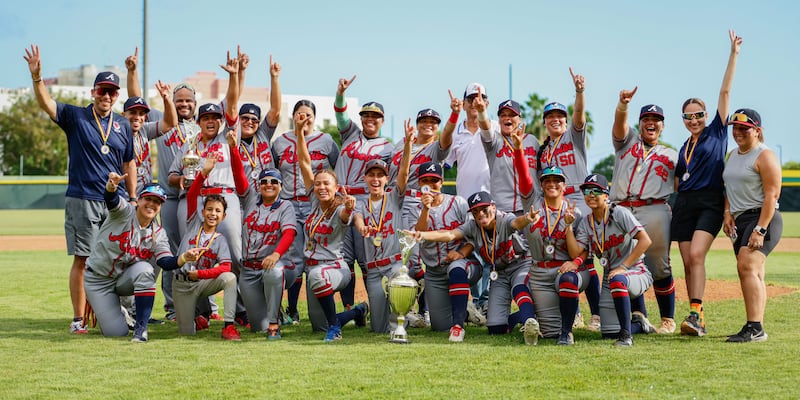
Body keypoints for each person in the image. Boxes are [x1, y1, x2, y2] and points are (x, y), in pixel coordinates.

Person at [24, 45, 137, 334]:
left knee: (119, 258)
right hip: (83, 198)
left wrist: (133, 198)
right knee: (83, 259)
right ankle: (78, 319)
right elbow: (47, 104)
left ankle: (114, 312)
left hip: (116, 202)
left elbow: (130, 163)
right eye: (103, 91)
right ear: (93, 92)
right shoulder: (76, 117)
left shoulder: (123, 125)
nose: (107, 96)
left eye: (112, 92)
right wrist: (37, 78)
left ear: (117, 95)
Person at [672, 30, 742, 336]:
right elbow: (677, 179)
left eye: (699, 114)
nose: (694, 120)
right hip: (685, 203)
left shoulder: (717, 131)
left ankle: (696, 313)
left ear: (706, 115)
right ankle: (695, 317)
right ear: (683, 120)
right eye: (688, 116)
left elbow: (725, 94)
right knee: (688, 262)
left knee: (698, 255)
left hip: (710, 202)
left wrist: (733, 55)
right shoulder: (683, 147)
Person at [406, 187, 542, 345]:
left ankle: (529, 322)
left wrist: (527, 218)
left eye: (484, 209)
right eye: (476, 212)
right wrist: (421, 235)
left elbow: (517, 223)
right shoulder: (472, 226)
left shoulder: (504, 219)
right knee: (495, 329)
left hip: (520, 264)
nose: (480, 214)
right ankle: (532, 314)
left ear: (493, 207)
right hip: (499, 272)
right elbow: (449, 234)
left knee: (519, 288)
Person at [84, 175, 204, 342]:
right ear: (139, 200)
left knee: (146, 270)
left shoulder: (159, 233)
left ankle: (141, 329)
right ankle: (117, 310)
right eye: (148, 199)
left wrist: (184, 257)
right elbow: (111, 200)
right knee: (116, 333)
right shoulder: (124, 212)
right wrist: (111, 186)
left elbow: (165, 262)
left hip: (123, 279)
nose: (152, 204)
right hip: (98, 280)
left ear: (161, 207)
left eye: (157, 202)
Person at [125, 47, 191, 321]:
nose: (183, 104)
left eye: (188, 100)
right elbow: (134, 100)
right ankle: (168, 308)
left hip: (186, 198)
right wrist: (132, 71)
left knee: (182, 251)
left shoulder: (200, 125)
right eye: (179, 100)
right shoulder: (152, 120)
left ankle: (201, 307)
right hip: (157, 197)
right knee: (151, 251)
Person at [536, 68, 601, 331]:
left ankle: (596, 314)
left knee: (585, 257)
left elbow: (579, 116)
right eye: (550, 116)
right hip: (556, 204)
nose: (556, 120)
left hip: (580, 199)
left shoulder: (573, 137)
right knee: (566, 255)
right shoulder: (543, 151)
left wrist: (579, 92)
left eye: (559, 116)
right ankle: (573, 312)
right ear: (544, 122)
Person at [513, 119, 589, 344]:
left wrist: (574, 260)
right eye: (547, 180)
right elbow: (524, 179)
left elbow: (584, 253)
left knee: (567, 280)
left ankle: (567, 333)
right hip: (539, 274)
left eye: (557, 180)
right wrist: (518, 151)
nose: (552, 184)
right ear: (541, 182)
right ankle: (521, 319)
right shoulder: (534, 204)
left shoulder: (575, 212)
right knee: (549, 331)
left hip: (565, 271)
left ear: (565, 186)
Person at [294, 113, 366, 342]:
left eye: (327, 184)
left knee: (317, 279)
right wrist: (298, 132)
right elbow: (304, 162)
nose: (321, 187)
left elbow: (345, 216)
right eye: (318, 184)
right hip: (314, 269)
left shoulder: (339, 207)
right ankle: (357, 311)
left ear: (336, 187)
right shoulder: (315, 201)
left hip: (335, 268)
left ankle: (335, 330)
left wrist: (349, 207)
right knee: (319, 325)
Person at [611, 89, 679, 334]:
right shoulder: (626, 142)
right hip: (621, 208)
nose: (651, 123)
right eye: (646, 119)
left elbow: (682, 183)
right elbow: (619, 125)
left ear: (662, 126)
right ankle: (639, 315)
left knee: (659, 265)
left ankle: (667, 319)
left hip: (655, 208)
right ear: (639, 124)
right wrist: (623, 105)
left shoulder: (672, 155)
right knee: (625, 262)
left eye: (656, 120)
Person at [173, 136, 248, 340]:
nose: (212, 214)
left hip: (201, 280)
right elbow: (192, 195)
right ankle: (196, 317)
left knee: (230, 277)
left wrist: (201, 274)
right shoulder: (193, 222)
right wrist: (204, 172)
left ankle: (229, 326)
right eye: (209, 210)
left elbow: (225, 268)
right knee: (186, 333)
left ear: (224, 216)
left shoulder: (220, 238)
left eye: (217, 211)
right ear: (202, 210)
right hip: (183, 283)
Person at [272, 100, 340, 325]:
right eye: (300, 114)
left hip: (314, 204)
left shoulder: (326, 140)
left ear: (315, 117)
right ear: (293, 116)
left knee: (314, 254)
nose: (304, 118)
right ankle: (291, 309)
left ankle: (329, 308)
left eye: (308, 114)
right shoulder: (281, 141)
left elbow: (336, 169)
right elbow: (273, 171)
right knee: (294, 258)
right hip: (289, 202)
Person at [567, 174, 654, 346]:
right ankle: (638, 325)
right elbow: (577, 252)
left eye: (596, 191)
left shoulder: (619, 213)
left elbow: (645, 240)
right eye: (587, 191)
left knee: (618, 280)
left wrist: (623, 266)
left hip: (635, 270)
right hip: (611, 276)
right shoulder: (586, 222)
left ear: (606, 195)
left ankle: (626, 337)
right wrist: (568, 226)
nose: (591, 194)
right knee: (608, 333)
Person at [333, 75, 393, 311]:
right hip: (339, 201)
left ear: (382, 120)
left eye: (375, 116)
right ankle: (349, 308)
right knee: (344, 259)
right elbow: (340, 112)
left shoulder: (387, 147)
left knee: (367, 258)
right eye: (366, 115)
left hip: (366, 204)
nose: (370, 119)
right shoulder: (350, 134)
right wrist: (340, 93)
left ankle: (376, 307)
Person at [722, 108, 783, 343]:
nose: (738, 132)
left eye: (744, 128)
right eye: (735, 128)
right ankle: (755, 325)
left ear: (757, 131)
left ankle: (755, 327)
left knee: (746, 266)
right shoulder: (733, 155)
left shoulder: (764, 155)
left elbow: (772, 195)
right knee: (753, 271)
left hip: (763, 217)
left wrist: (761, 229)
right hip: (741, 219)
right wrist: (727, 213)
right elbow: (729, 187)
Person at [411, 161, 482, 342]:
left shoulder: (458, 203)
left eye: (434, 180)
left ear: (441, 182)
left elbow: (475, 235)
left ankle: (459, 322)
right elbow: (419, 234)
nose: (430, 185)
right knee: (440, 326)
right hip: (434, 273)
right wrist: (426, 209)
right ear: (419, 184)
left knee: (455, 269)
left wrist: (462, 253)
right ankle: (464, 310)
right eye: (425, 180)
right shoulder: (416, 209)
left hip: (464, 264)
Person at [351, 121, 412, 334]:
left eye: (380, 175)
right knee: (378, 328)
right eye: (371, 175)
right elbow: (358, 219)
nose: (375, 179)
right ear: (365, 178)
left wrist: (407, 146)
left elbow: (403, 173)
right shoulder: (361, 203)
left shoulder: (393, 197)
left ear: (387, 179)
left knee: (395, 324)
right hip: (374, 268)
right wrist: (362, 228)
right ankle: (366, 311)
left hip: (394, 265)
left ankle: (404, 321)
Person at [443, 82, 498, 317]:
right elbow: (444, 164)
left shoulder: (493, 127)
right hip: (465, 204)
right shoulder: (456, 131)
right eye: (471, 98)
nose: (476, 101)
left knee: (491, 255)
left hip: (492, 203)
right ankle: (476, 301)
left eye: (481, 97)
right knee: (472, 251)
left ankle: (486, 301)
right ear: (464, 103)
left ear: (486, 103)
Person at [239, 169, 299, 339]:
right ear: (259, 186)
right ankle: (278, 313)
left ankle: (274, 323)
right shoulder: (251, 201)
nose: (268, 184)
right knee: (258, 327)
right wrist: (233, 149)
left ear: (281, 186)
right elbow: (239, 177)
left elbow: (289, 233)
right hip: (250, 269)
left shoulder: (285, 206)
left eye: (274, 181)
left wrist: (276, 254)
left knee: (273, 272)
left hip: (280, 264)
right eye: (264, 181)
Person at [236, 54, 281, 211]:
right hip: (241, 203)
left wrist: (274, 78)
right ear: (238, 119)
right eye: (245, 118)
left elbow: (275, 110)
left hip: (268, 199)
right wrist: (241, 72)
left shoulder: (262, 134)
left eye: (254, 120)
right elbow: (231, 101)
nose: (250, 122)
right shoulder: (232, 139)